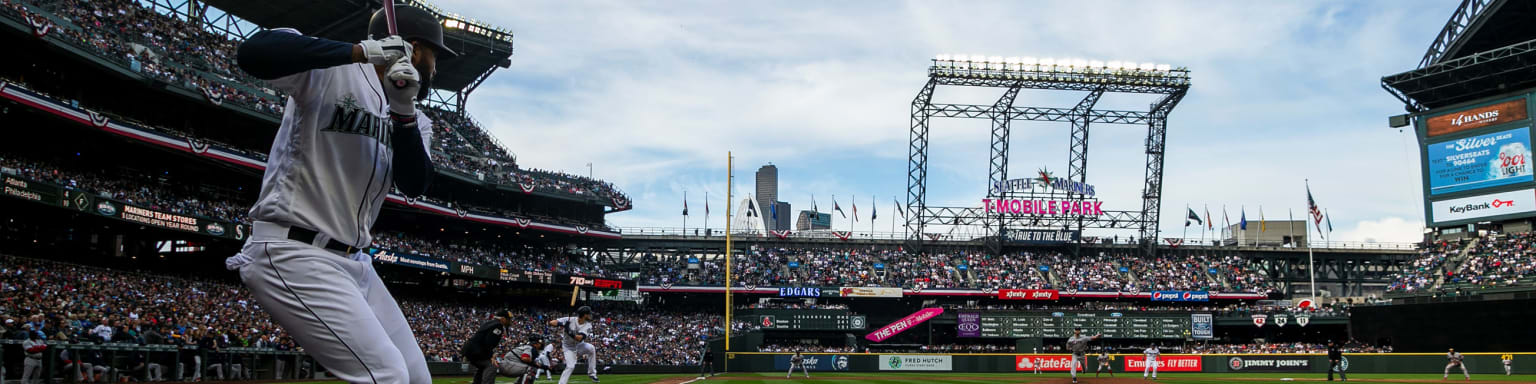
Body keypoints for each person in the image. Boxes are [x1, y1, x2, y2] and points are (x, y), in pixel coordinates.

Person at [224, 3, 446, 384]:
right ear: (414, 47)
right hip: (293, 250)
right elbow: (254, 53)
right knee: (386, 375)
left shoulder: (416, 116)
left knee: (416, 377)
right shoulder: (331, 72)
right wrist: (359, 52)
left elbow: (415, 184)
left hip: (356, 261)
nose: (436, 67)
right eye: (434, 55)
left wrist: (403, 109)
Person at [549, 306, 601, 383]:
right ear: (584, 315)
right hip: (568, 347)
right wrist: (562, 324)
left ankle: (592, 373)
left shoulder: (588, 325)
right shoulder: (570, 319)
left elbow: (579, 338)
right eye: (589, 314)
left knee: (591, 348)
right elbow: (551, 322)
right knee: (570, 366)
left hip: (579, 345)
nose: (590, 315)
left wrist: (568, 330)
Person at [462, 310, 514, 384]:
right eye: (509, 319)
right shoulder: (498, 326)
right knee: (492, 365)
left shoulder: (491, 323)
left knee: (482, 366)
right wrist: (491, 356)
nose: (510, 321)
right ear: (503, 319)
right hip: (475, 350)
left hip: (471, 350)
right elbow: (488, 342)